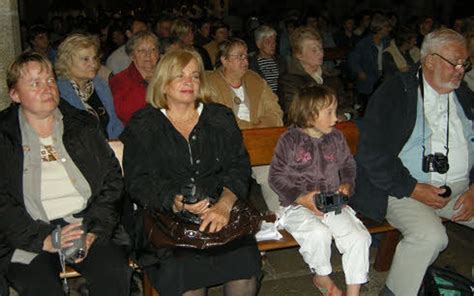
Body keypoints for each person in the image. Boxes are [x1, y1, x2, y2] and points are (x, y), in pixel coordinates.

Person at [121, 49, 261, 296]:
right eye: (180, 76)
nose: (189, 81)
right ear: (163, 84)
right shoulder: (144, 124)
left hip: (221, 213)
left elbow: (239, 166)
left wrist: (225, 204)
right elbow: (137, 182)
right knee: (188, 276)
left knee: (244, 266)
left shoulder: (218, 117)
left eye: (195, 76)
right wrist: (174, 201)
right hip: (168, 222)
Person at [351, 28, 474, 296]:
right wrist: (412, 188)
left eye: (465, 63)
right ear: (429, 60)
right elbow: (372, 153)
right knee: (430, 238)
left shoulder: (463, 94)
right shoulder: (395, 92)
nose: (461, 69)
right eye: (455, 62)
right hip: (405, 189)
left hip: (461, 189)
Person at [0, 52, 131, 296]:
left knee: (114, 274)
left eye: (50, 80)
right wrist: (44, 239)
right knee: (40, 286)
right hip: (29, 231)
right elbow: (3, 202)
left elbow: (112, 180)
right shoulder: (5, 136)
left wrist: (95, 229)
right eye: (35, 83)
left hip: (86, 221)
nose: (47, 88)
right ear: (15, 95)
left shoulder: (81, 124)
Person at [268, 85, 371, 296]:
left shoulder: (336, 138)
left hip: (332, 202)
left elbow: (348, 165)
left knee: (359, 237)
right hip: (298, 206)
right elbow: (276, 177)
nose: (336, 118)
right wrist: (301, 198)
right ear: (310, 115)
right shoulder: (290, 141)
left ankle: (354, 291)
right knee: (317, 233)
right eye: (329, 113)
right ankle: (322, 276)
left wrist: (347, 184)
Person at [278, 27, 354, 122]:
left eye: (321, 48)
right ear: (299, 55)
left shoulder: (332, 77)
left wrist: (344, 116)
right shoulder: (289, 80)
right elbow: (293, 114)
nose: (320, 54)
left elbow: (349, 108)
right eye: (314, 50)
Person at [56, 33, 123, 139]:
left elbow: (114, 124)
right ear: (67, 61)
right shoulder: (58, 94)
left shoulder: (101, 86)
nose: (93, 64)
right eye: (85, 59)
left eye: (94, 58)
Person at [207, 38, 283, 129]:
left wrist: (263, 126)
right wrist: (252, 129)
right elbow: (219, 120)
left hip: (261, 137)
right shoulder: (211, 83)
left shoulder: (256, 80)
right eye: (240, 56)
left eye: (246, 56)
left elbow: (275, 110)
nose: (246, 62)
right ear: (224, 60)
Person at [110, 31, 160, 125]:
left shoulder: (167, 76)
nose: (148, 54)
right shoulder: (120, 80)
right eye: (141, 50)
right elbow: (125, 114)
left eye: (153, 49)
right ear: (132, 55)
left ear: (158, 54)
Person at [348, 13, 391, 114]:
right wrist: (359, 71)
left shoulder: (387, 42)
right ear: (379, 28)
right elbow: (353, 58)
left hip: (383, 75)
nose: (389, 29)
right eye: (386, 27)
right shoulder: (365, 43)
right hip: (370, 75)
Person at [248, 25, 287, 94]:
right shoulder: (251, 63)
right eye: (268, 42)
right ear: (258, 44)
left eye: (274, 42)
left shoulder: (281, 61)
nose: (272, 45)